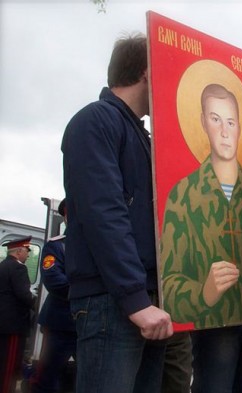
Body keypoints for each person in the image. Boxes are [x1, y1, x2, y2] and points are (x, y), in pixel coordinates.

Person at [61, 34, 173, 393]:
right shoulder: (95, 121)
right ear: (146, 72)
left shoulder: (143, 136)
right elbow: (104, 214)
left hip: (144, 300)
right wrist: (136, 300)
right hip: (113, 303)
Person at [160, 82, 242, 393]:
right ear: (202, 122)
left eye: (231, 121)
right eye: (215, 119)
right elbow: (171, 282)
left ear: (241, 125)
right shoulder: (184, 194)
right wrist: (204, 292)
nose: (225, 131)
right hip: (218, 324)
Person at [30, 199, 77, 393]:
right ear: (65, 217)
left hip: (88, 324)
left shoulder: (97, 246)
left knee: (87, 376)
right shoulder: (56, 247)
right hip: (60, 324)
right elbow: (54, 281)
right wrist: (87, 292)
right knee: (48, 377)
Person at [0, 236, 35, 393]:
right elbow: (24, 295)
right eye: (27, 251)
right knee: (9, 365)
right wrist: (36, 304)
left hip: (3, 324)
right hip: (13, 325)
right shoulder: (18, 268)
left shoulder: (3, 266)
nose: (28, 254)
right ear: (19, 251)